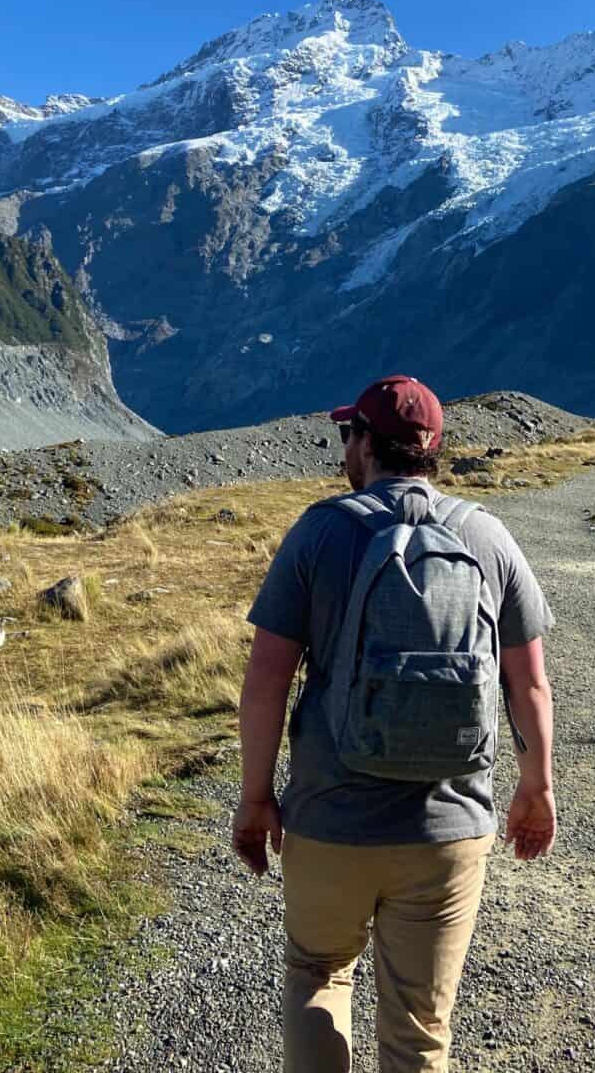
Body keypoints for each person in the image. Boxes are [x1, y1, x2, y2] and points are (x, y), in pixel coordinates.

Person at [231, 373, 556, 1073]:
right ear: (433, 450)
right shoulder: (488, 536)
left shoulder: (321, 532)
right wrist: (537, 784)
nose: (344, 446)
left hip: (328, 820)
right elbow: (528, 681)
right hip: (448, 829)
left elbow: (265, 683)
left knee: (319, 972)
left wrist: (257, 797)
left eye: (349, 434)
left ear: (369, 445)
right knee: (419, 1032)